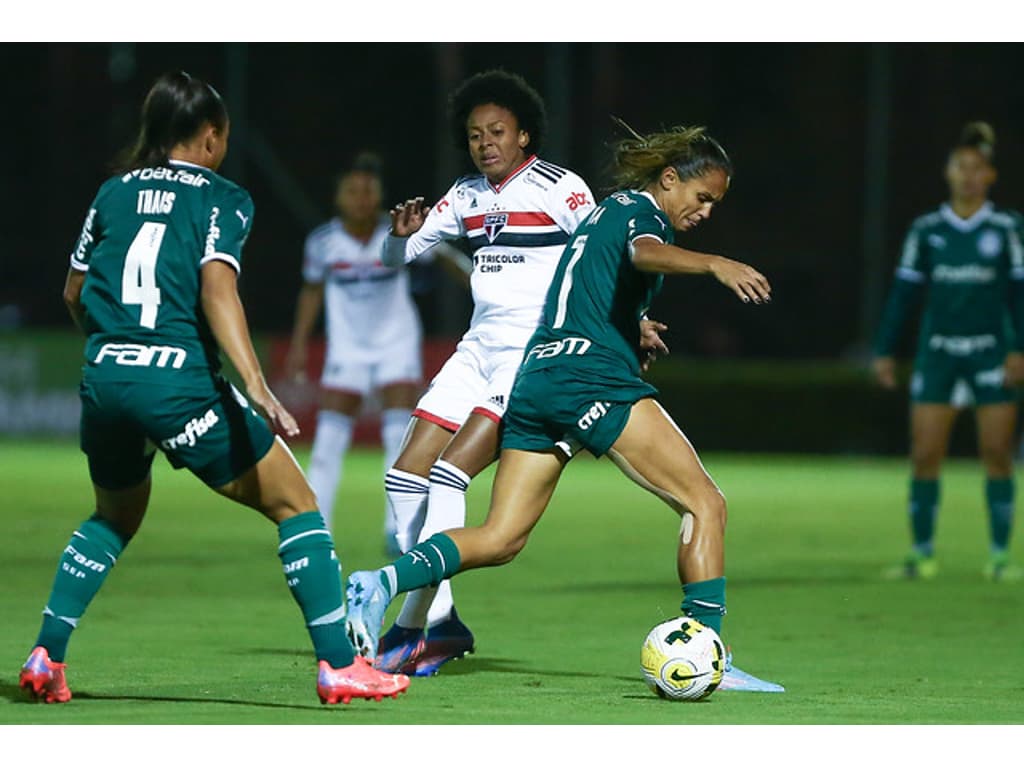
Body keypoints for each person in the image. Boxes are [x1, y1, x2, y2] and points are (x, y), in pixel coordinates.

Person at [345, 122, 784, 692]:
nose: (705, 211)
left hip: (539, 379)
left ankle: (380, 581)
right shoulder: (640, 214)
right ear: (670, 179)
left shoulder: (602, 213)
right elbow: (644, 253)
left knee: (501, 537)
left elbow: (583, 291)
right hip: (590, 379)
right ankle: (709, 652)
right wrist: (715, 264)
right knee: (705, 503)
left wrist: (633, 328)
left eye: (714, 205)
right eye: (702, 197)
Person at [17, 71, 409, 705]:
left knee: (113, 515)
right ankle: (340, 664)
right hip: (180, 384)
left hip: (104, 377)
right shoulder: (222, 197)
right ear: (210, 135)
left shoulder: (111, 194)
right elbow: (217, 289)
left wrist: (117, 353)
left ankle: (44, 655)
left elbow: (73, 292)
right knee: (297, 505)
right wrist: (256, 385)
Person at [364, 69, 601, 677]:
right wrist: (399, 238)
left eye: (496, 131)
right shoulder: (466, 195)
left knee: (448, 476)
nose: (485, 143)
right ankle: (438, 620)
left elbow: (602, 260)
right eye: (474, 135)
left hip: (531, 350)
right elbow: (396, 257)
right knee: (403, 477)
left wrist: (635, 320)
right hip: (477, 348)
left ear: (524, 135)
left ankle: (417, 628)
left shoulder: (560, 187)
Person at [873, 121, 1024, 582]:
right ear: (948, 172)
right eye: (961, 167)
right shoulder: (927, 230)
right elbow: (903, 294)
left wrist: (1019, 348)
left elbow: (1019, 293)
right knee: (924, 454)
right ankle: (922, 554)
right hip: (937, 353)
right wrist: (884, 351)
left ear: (989, 176)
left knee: (997, 452)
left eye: (977, 168)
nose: (968, 176)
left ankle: (1000, 557)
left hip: (989, 354)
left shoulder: (1006, 227)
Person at [285, 152, 427, 553]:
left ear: (380, 194)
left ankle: (397, 529)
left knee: (398, 436)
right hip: (347, 347)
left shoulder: (399, 232)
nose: (362, 198)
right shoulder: (323, 243)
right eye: (353, 190)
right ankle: (316, 527)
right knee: (329, 441)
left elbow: (442, 258)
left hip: (397, 342)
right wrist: (299, 342)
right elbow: (311, 290)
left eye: (369, 190)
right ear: (339, 196)